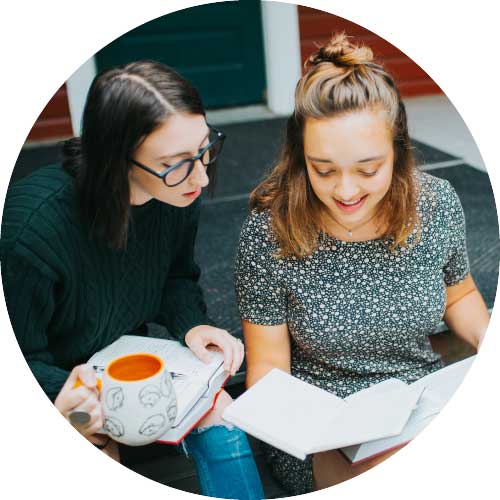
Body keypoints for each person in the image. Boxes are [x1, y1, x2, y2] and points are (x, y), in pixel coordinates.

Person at [234, 33, 490, 495]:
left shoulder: (436, 205)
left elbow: (461, 293)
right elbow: (268, 366)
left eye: (368, 169)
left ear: (399, 151)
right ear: (300, 158)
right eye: (324, 170)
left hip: (419, 403)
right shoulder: (269, 229)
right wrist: (315, 434)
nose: (346, 191)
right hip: (318, 426)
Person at [1, 60, 264, 500]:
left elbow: (176, 278)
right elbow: (20, 355)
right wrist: (68, 400)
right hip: (63, 386)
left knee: (222, 413)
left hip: (134, 365)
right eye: (174, 163)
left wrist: (192, 325)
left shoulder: (177, 190)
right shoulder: (34, 225)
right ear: (115, 157)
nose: (201, 175)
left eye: (205, 149)